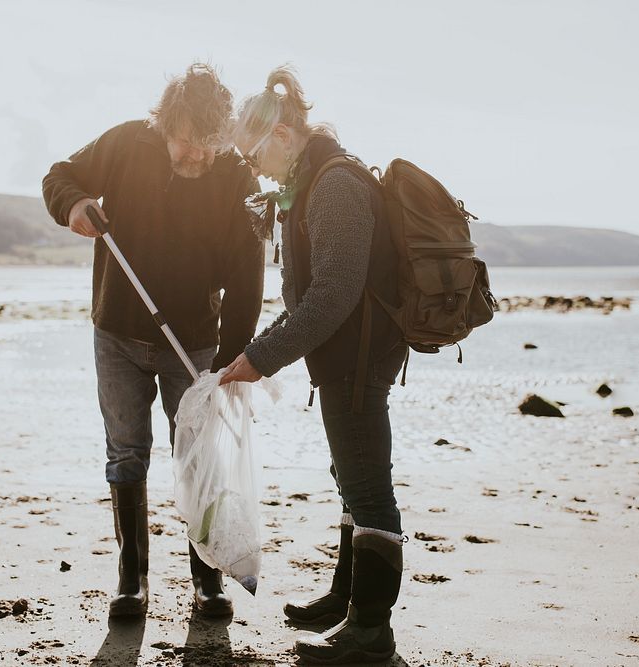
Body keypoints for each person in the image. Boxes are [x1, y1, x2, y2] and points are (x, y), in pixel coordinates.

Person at [42, 63, 264, 619]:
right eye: (190, 143)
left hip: (194, 342)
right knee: (126, 452)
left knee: (198, 456)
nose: (199, 157)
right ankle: (131, 579)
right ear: (168, 122)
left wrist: (237, 356)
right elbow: (59, 175)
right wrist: (72, 205)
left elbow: (247, 274)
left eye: (211, 146)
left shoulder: (236, 175)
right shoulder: (124, 143)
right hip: (116, 331)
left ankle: (206, 579)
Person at [220, 66, 407, 664]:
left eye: (252, 156)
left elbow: (333, 295)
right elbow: (313, 300)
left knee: (368, 486)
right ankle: (345, 600)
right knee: (350, 480)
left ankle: (371, 632)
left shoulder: (335, 186)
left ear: (280, 134)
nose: (254, 170)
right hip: (344, 356)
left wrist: (261, 358)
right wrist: (256, 351)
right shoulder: (313, 182)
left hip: (358, 357)